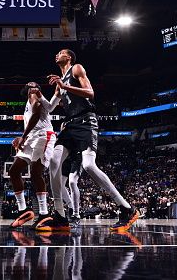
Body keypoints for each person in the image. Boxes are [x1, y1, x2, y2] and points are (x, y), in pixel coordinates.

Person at [43, 49, 138, 232]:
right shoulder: (60, 84)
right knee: (54, 161)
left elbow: (90, 93)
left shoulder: (76, 69)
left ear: (68, 57)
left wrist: (65, 86)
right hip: (69, 126)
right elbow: (50, 108)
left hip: (86, 121)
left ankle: (127, 208)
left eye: (60, 52)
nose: (56, 54)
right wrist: (37, 95)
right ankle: (61, 216)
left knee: (88, 165)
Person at [8, 82, 56, 229]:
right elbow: (32, 121)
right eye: (29, 85)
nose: (33, 86)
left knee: (36, 173)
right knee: (14, 171)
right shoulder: (27, 104)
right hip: (31, 137)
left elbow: (36, 116)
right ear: (25, 90)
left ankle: (44, 213)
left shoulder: (35, 97)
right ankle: (24, 210)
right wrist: (22, 137)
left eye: (35, 85)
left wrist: (22, 136)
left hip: (43, 136)